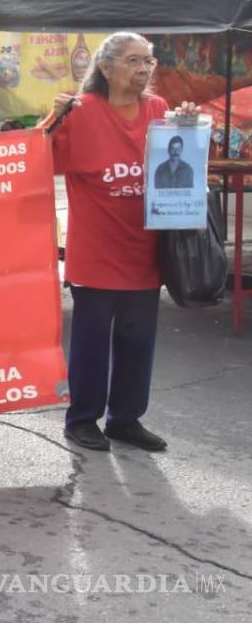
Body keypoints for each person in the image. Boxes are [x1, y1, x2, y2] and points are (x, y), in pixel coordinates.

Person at [47, 32, 200, 453]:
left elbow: (185, 159)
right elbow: (38, 159)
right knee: (91, 344)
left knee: (137, 341)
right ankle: (81, 419)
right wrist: (52, 120)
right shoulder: (81, 113)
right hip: (95, 255)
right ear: (106, 67)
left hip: (144, 251)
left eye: (148, 61)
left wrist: (188, 127)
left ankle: (125, 419)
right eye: (133, 61)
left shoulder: (158, 110)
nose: (144, 70)